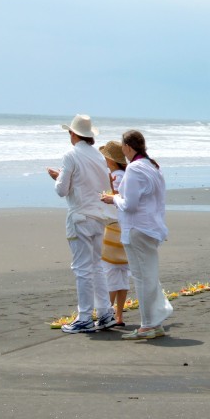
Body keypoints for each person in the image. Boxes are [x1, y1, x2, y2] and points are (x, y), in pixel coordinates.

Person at [47, 114, 117, 333]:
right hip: (98, 215)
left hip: (79, 216)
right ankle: (105, 313)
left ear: (73, 134)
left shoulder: (71, 155)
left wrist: (57, 177)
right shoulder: (98, 156)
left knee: (82, 269)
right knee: (96, 266)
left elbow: (62, 190)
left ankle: (85, 316)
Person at [101, 130, 173, 340]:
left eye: (123, 147)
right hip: (151, 227)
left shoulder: (134, 168)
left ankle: (148, 324)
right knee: (148, 275)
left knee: (143, 277)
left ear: (128, 147)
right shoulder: (152, 167)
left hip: (137, 228)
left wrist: (112, 199)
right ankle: (154, 322)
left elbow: (129, 205)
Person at [99, 140, 130, 326]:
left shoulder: (116, 176)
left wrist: (106, 195)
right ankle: (119, 316)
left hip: (113, 226)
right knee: (122, 272)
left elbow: (116, 197)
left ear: (110, 160)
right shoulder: (125, 174)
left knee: (110, 270)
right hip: (124, 226)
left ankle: (107, 313)